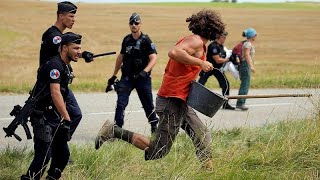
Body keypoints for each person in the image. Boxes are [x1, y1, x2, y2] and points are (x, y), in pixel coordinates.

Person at [96, 10, 225, 169]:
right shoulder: (196, 41)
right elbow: (174, 52)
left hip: (181, 99)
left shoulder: (198, 43)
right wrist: (201, 63)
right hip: (171, 100)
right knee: (159, 150)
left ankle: (208, 173)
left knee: (202, 135)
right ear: (213, 28)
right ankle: (113, 131)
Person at [21, 32, 82, 180]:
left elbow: (64, 93)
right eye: (76, 48)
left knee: (63, 155)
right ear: (65, 48)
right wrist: (67, 119)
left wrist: (62, 118)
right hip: (42, 116)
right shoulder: (54, 66)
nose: (79, 52)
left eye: (80, 48)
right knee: (43, 157)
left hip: (53, 116)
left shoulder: (66, 67)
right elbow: (55, 93)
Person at [39, 1, 94, 137]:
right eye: (71, 16)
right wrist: (82, 54)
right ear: (60, 16)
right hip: (50, 85)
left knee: (74, 114)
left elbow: (66, 52)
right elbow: (65, 50)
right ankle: (56, 149)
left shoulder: (58, 35)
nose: (74, 20)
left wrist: (83, 55)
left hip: (60, 83)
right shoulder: (54, 36)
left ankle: (60, 148)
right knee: (63, 117)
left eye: (74, 17)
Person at [105, 12, 158, 133]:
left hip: (142, 78)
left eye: (136, 23)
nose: (134, 25)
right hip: (127, 78)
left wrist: (145, 72)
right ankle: (117, 130)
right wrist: (114, 75)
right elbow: (121, 57)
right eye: (131, 23)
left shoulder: (146, 40)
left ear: (140, 24)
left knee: (148, 104)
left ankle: (154, 127)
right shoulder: (127, 40)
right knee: (120, 104)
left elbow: (153, 58)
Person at [198, 31, 235, 110]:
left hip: (217, 69)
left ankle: (225, 104)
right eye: (223, 37)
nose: (225, 39)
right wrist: (229, 59)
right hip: (209, 67)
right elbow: (217, 60)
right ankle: (192, 100)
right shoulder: (214, 46)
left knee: (225, 84)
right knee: (200, 84)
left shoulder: (221, 46)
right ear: (219, 37)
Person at [236, 28, 257, 111]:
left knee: (245, 84)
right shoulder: (248, 44)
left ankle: (241, 101)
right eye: (255, 35)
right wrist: (251, 66)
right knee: (245, 84)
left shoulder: (247, 43)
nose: (256, 36)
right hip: (245, 65)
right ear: (252, 36)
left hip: (245, 65)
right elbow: (247, 55)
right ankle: (240, 103)